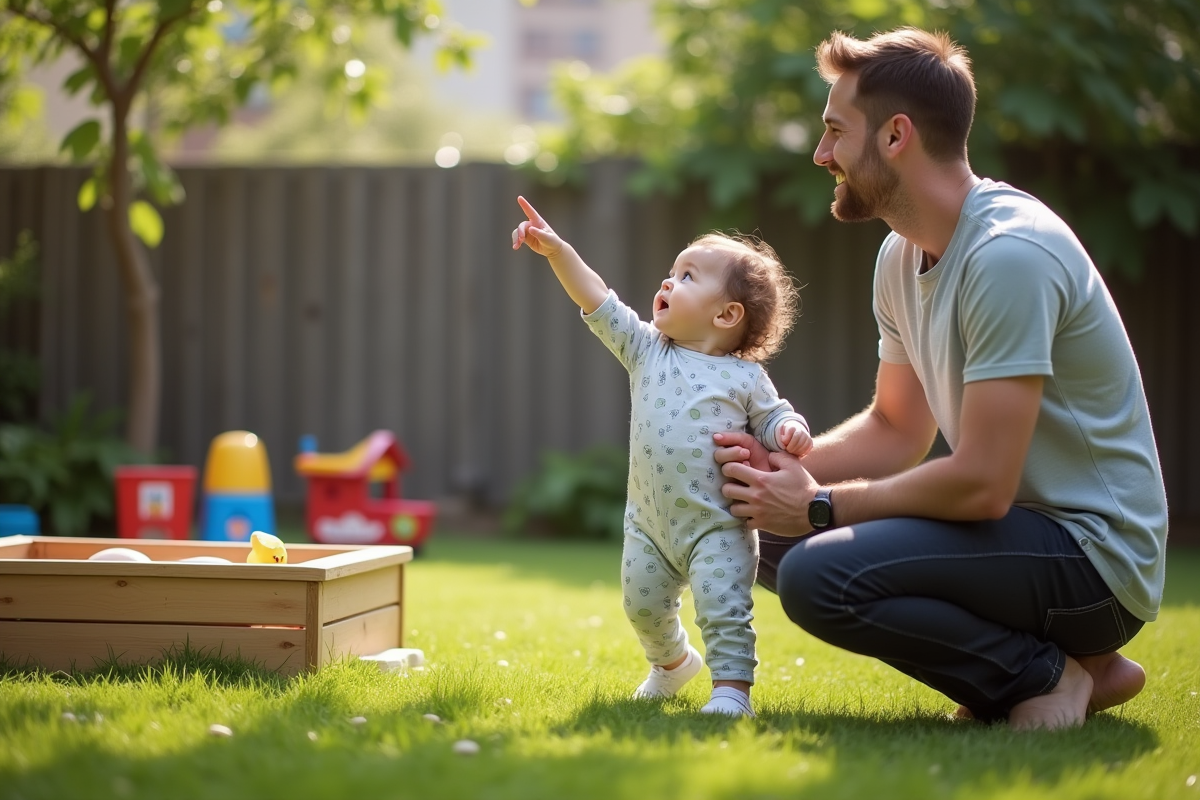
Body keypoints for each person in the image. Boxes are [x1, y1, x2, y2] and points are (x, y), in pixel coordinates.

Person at [713, 27, 1168, 730]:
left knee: (814, 570)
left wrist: (822, 508)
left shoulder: (1008, 255)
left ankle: (1044, 676)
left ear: (896, 136)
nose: (820, 153)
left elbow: (984, 485)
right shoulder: (901, 256)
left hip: (1092, 558)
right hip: (1014, 542)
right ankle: (1084, 672)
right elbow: (897, 428)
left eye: (836, 131)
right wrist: (771, 470)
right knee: (762, 531)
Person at [511, 195, 810, 717]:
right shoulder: (647, 349)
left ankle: (732, 692)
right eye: (672, 272)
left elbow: (774, 416)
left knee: (725, 609)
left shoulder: (744, 377)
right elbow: (599, 300)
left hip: (718, 524)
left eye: (689, 276)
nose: (668, 283)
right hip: (649, 522)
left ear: (727, 313)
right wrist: (559, 252)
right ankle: (672, 665)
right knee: (641, 605)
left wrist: (789, 430)